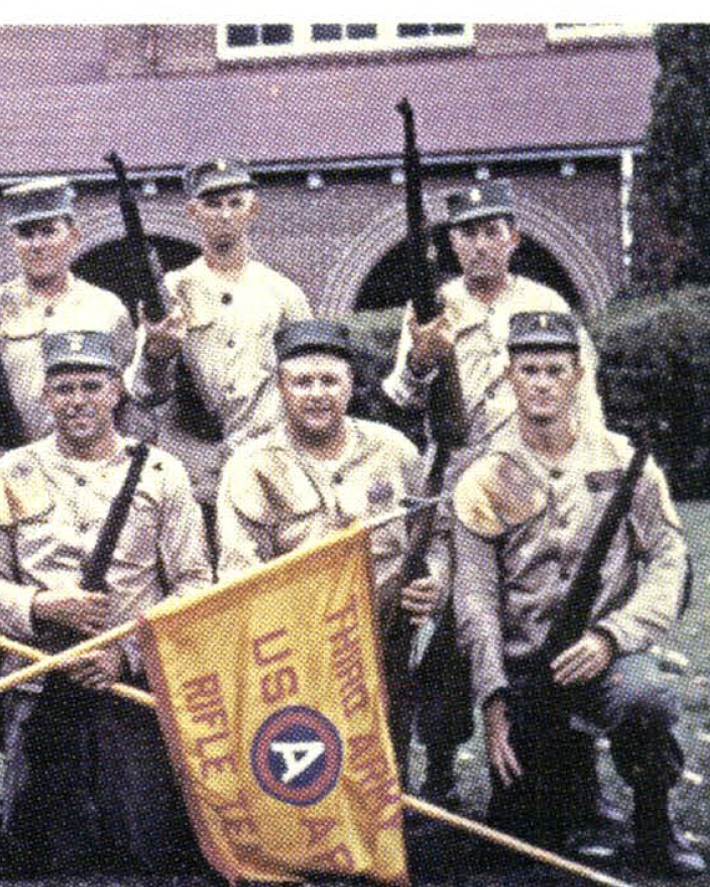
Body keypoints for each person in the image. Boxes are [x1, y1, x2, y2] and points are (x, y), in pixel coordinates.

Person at [379, 178, 609, 810]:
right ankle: (441, 772)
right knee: (454, 627)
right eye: (467, 233)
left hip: (536, 491)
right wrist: (423, 357)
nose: (480, 245)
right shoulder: (433, 306)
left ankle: (574, 772)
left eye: (491, 231)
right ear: (451, 242)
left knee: (555, 620)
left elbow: (585, 409)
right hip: (459, 489)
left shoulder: (544, 303)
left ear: (513, 235)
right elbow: (400, 397)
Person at [450, 312, 702, 876]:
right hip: (524, 667)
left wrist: (614, 637)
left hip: (602, 656)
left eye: (555, 370)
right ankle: (576, 802)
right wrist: (494, 698)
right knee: (523, 834)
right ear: (509, 376)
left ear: (577, 375)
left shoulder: (622, 460)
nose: (541, 382)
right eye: (529, 369)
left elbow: (669, 559)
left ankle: (654, 821)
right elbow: (475, 599)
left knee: (646, 698)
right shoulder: (484, 476)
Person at [0, 325, 211, 873]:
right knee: (41, 851)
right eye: (65, 388)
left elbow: (194, 586)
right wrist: (41, 606)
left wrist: (125, 656)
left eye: (91, 386)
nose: (78, 401)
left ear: (116, 390)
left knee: (146, 848)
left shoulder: (162, 474)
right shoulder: (10, 472)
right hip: (37, 678)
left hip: (131, 684)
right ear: (45, 396)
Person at [213, 320, 438, 775]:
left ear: (350, 385)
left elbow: (436, 533)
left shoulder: (393, 451)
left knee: (386, 768)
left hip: (387, 639)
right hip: (297, 650)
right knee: (314, 775)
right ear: (280, 388)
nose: (317, 393)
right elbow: (240, 574)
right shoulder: (251, 466)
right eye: (302, 382)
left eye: (329, 381)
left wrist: (434, 580)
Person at [129, 157, 313, 538]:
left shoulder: (283, 294)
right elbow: (144, 392)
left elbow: (307, 379)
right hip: (192, 477)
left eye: (235, 203)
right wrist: (157, 352)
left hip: (267, 469)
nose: (225, 215)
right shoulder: (172, 291)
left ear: (253, 209)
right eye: (213, 204)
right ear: (193, 212)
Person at [0, 177, 143, 473]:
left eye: (49, 232)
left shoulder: (106, 308)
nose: (38, 245)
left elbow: (131, 393)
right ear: (12, 240)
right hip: (10, 468)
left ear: (73, 235)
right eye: (25, 234)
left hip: (89, 469)